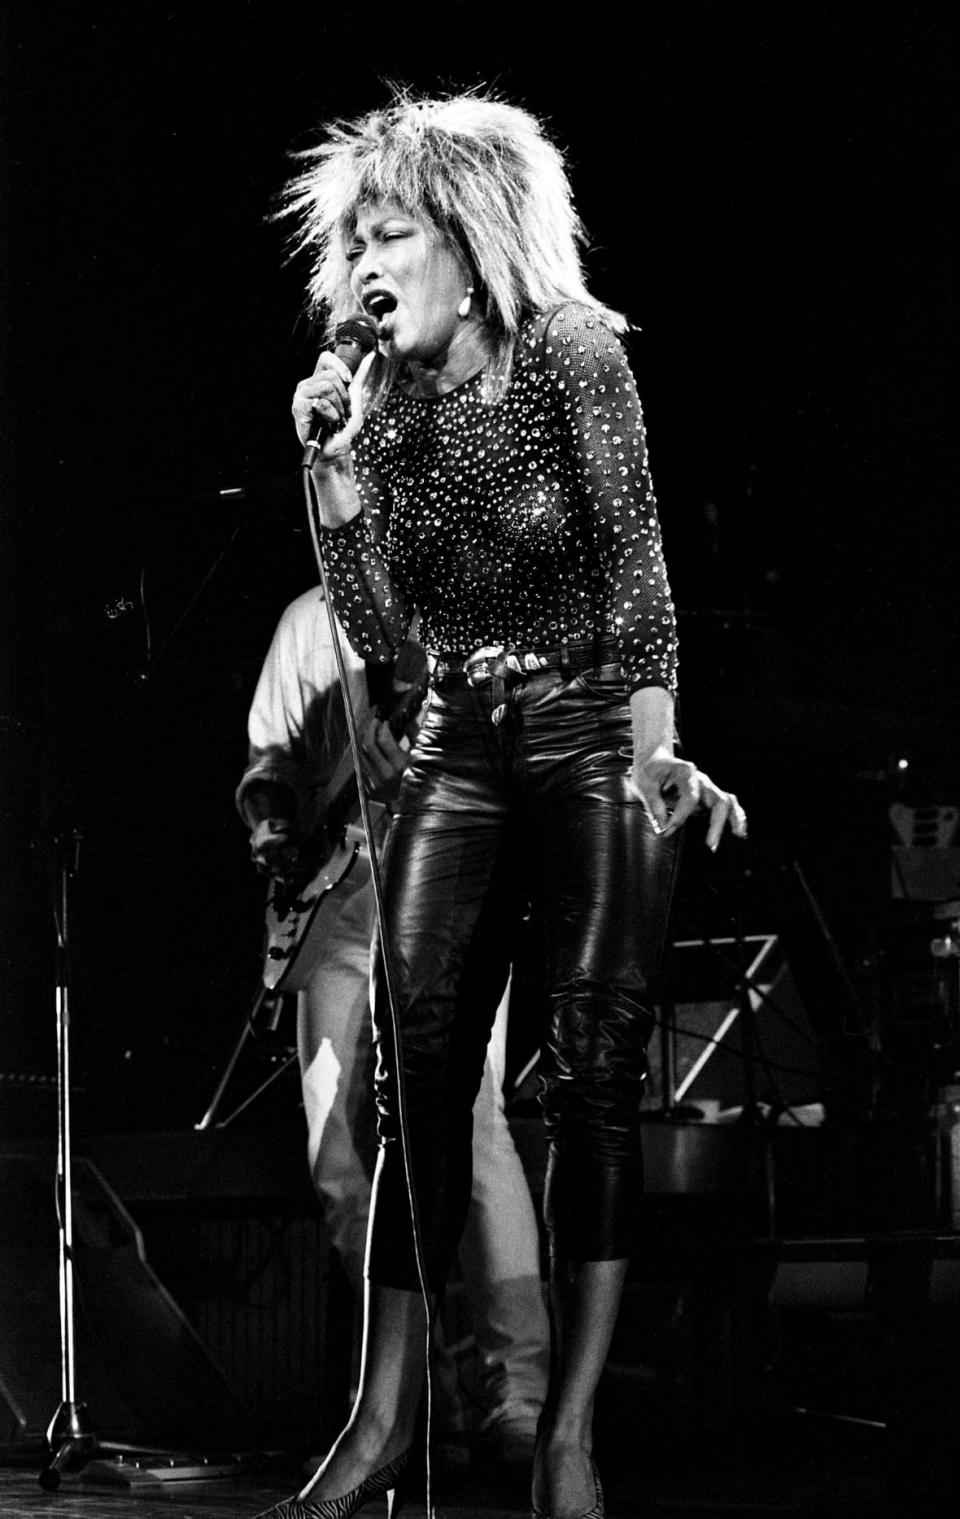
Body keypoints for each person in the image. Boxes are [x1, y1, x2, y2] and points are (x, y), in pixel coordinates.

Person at [256, 92, 747, 1519]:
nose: (361, 256)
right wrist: (335, 478)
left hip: (595, 726)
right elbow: (385, 629)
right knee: (414, 1081)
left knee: (589, 1076)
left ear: (470, 242)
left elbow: (639, 571)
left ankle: (569, 1432)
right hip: (456, 735)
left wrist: (658, 743)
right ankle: (379, 1420)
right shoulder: (387, 403)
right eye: (352, 234)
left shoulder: (575, 355)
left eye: (389, 228)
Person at [236, 586, 549, 1472]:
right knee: (338, 1162)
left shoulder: (462, 586)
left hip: (451, 871)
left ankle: (518, 1394)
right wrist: (274, 824)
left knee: (470, 1122)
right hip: (337, 899)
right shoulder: (306, 618)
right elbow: (268, 764)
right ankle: (430, 1391)